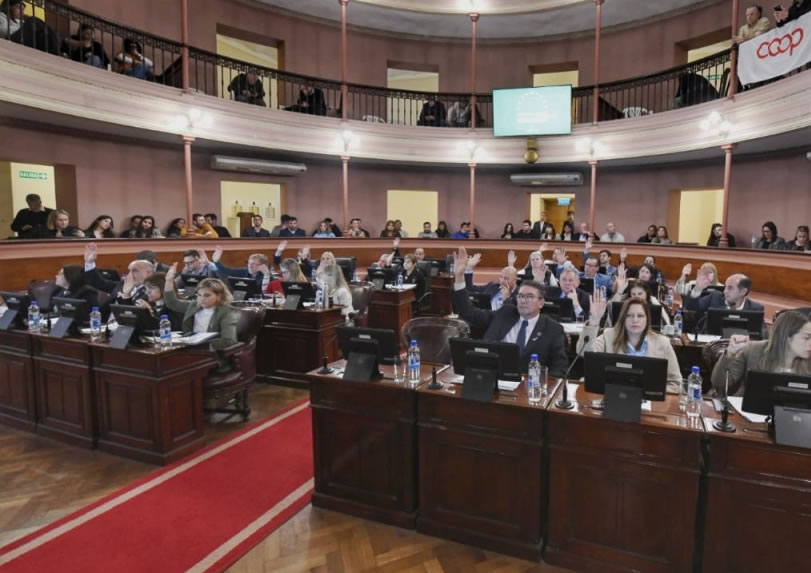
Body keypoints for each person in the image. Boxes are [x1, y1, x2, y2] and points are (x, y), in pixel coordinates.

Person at [451, 247, 568, 375]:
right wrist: (459, 277)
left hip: (529, 383)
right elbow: (468, 313)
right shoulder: (505, 313)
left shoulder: (553, 329)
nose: (523, 300)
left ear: (541, 303)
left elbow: (559, 370)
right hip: (490, 377)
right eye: (521, 296)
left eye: (529, 297)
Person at [577, 293, 682, 393]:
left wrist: (654, 393)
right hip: (614, 397)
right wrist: (594, 321)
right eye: (629, 315)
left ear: (647, 319)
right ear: (623, 318)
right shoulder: (608, 335)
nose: (635, 320)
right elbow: (583, 352)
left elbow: (676, 383)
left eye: (640, 316)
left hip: (649, 401)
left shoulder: (663, 343)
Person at [711, 311, 811, 397]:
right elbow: (719, 383)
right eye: (807, 337)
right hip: (750, 410)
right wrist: (730, 353)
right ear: (786, 336)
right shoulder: (753, 350)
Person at [163, 267, 238, 347]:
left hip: (209, 350)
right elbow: (172, 303)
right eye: (199, 295)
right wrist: (168, 281)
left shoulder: (227, 312)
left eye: (207, 295)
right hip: (189, 346)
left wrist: (202, 345)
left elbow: (229, 340)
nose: (202, 299)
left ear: (219, 296)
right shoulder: (194, 305)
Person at [82, 243, 153, 307]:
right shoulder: (122, 284)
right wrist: (89, 262)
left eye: (135, 271)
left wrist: (126, 295)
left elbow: (133, 313)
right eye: (129, 271)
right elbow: (98, 282)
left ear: (149, 273)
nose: (130, 274)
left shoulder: (150, 292)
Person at [682, 270, 764, 316]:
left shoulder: (755, 309)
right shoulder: (714, 297)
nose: (725, 291)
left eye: (730, 288)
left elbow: (762, 333)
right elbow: (691, 307)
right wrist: (697, 288)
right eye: (726, 286)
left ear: (743, 291)